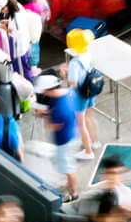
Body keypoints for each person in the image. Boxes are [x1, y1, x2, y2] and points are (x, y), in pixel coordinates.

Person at [41, 75, 80, 201]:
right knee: (68, 164)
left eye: (45, 91)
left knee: (69, 168)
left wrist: (45, 117)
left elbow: (53, 126)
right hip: (73, 133)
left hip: (65, 141)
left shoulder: (59, 109)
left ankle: (73, 193)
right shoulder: (69, 92)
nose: (44, 94)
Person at [65, 29, 101, 161]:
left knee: (81, 124)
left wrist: (65, 74)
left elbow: (73, 84)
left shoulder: (74, 63)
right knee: (89, 117)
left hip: (80, 96)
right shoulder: (88, 54)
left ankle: (88, 151)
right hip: (91, 91)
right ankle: (95, 141)